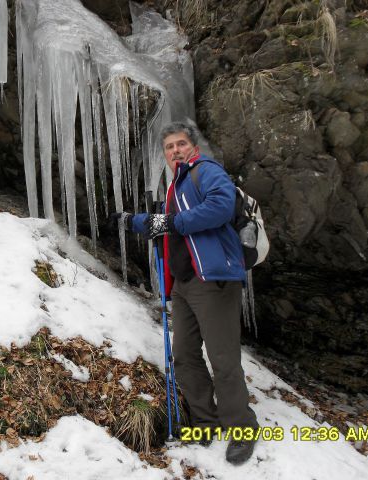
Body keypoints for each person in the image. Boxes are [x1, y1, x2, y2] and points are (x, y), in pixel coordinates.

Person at [110, 121, 259, 465]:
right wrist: (132, 220)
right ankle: (204, 422)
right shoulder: (175, 186)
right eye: (169, 147)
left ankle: (241, 428)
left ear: (193, 147)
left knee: (223, 359)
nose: (175, 151)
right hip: (183, 286)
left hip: (214, 281)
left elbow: (220, 207)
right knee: (185, 356)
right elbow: (164, 224)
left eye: (180, 144)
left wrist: (171, 222)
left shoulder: (206, 171)